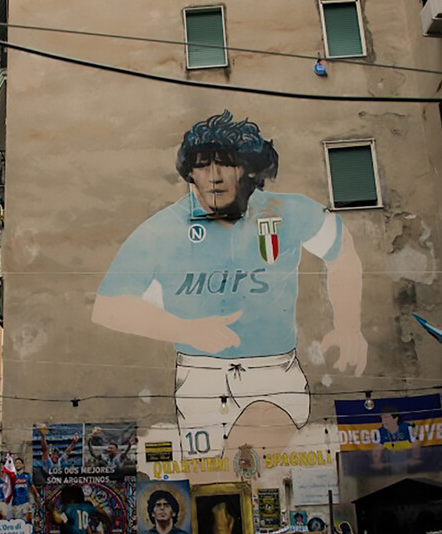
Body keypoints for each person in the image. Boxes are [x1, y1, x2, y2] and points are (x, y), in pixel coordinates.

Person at [92, 111, 367, 454]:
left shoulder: (286, 211)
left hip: (273, 372)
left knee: (251, 457)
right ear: (189, 173)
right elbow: (109, 306)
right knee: (213, 484)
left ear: (248, 169)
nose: (215, 177)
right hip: (198, 377)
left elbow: (343, 251)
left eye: (227, 164)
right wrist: (186, 329)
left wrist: (348, 327)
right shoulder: (161, 230)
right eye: (203, 165)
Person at [47, 485, 112, 534]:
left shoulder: (68, 509)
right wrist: (107, 519)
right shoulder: (86, 507)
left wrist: (52, 510)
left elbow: (58, 520)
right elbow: (99, 511)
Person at [11, 458, 38, 524]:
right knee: (17, 523)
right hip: (16, 503)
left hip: (25, 502)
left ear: (23, 465)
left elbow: (32, 486)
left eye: (19, 463)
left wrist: (37, 495)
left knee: (27, 521)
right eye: (16, 463)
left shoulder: (27, 476)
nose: (18, 464)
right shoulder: (12, 476)